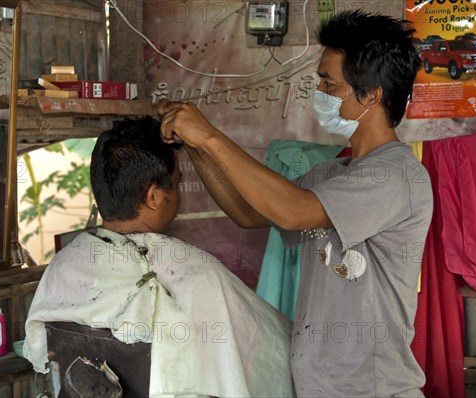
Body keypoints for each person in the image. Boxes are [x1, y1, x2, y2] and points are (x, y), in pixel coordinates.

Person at [158, 10, 432, 397]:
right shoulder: (331, 175)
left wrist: (210, 135)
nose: (318, 91)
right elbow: (248, 212)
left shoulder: (396, 175)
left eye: (329, 84)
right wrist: (196, 145)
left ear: (371, 94)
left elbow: (293, 209)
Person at [23, 116, 294, 398]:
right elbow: (275, 358)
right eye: (176, 185)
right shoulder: (196, 275)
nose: (178, 195)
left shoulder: (64, 264)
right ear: (153, 197)